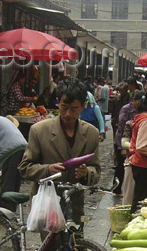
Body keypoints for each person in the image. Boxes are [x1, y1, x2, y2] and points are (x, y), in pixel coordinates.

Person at [19, 77, 101, 225]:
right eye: (64, 107)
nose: (68, 113)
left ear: (83, 106)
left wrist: (87, 173)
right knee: (52, 247)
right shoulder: (39, 131)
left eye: (74, 109)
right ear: (57, 102)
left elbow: (96, 169)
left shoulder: (91, 133)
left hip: (75, 205)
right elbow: (25, 168)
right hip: (47, 205)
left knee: (75, 246)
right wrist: (47, 169)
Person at [115, 90, 143, 198]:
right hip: (122, 142)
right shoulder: (126, 109)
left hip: (131, 143)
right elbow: (121, 128)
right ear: (134, 100)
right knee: (120, 168)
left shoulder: (139, 110)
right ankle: (117, 189)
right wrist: (122, 147)